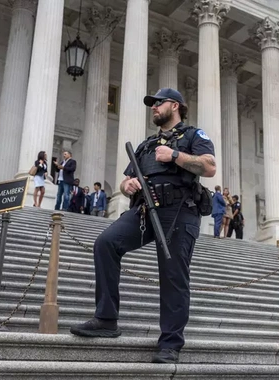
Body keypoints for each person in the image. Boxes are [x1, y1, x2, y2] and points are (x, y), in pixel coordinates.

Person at [69, 88, 216, 364]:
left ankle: (170, 343)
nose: (153, 108)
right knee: (106, 243)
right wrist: (128, 185)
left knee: (173, 273)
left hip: (179, 211)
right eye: (152, 104)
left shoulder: (194, 136)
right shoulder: (146, 145)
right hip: (145, 209)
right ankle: (106, 318)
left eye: (158, 103)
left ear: (175, 105)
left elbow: (209, 167)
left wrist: (174, 156)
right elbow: (126, 181)